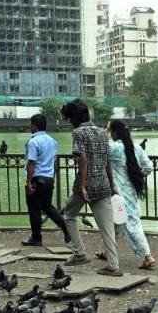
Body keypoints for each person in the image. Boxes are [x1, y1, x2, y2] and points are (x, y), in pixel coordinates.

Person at [57, 99, 120, 276]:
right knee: (107, 228)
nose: (70, 122)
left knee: (68, 215)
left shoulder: (78, 133)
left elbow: (82, 158)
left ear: (75, 118)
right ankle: (113, 266)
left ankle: (80, 253)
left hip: (85, 184)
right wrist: (112, 184)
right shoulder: (101, 132)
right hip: (103, 185)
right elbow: (107, 160)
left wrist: (83, 186)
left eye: (70, 118)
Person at [102, 119, 156, 269]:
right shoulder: (136, 148)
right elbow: (149, 167)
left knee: (132, 224)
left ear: (114, 132)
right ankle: (108, 251)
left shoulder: (113, 148)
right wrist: (136, 176)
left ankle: (148, 256)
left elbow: (99, 145)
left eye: (110, 130)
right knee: (116, 222)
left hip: (119, 194)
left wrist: (104, 131)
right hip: (130, 191)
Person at [20, 113, 69, 247]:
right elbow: (54, 162)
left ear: (34, 126)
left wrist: (29, 182)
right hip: (48, 179)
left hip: (37, 179)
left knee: (34, 208)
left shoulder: (33, 141)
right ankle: (66, 227)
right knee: (47, 206)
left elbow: (32, 162)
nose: (30, 127)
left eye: (31, 124)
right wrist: (52, 178)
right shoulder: (53, 141)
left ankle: (36, 238)